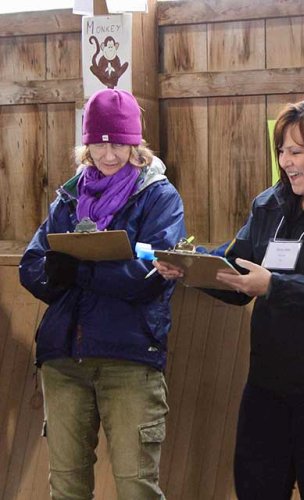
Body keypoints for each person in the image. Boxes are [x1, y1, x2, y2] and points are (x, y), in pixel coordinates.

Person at [155, 97, 304, 499]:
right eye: (282, 151)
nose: (286, 161)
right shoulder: (270, 204)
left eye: (297, 151)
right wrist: (190, 268)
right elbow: (237, 271)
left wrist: (276, 287)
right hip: (269, 386)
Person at [18, 88, 186, 499]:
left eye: (120, 143)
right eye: (99, 143)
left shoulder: (160, 198)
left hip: (130, 359)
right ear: (86, 144)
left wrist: (77, 269)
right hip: (63, 359)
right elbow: (31, 266)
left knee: (136, 488)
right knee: (67, 487)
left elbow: (146, 277)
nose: (109, 154)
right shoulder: (68, 197)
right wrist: (58, 275)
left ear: (136, 144)